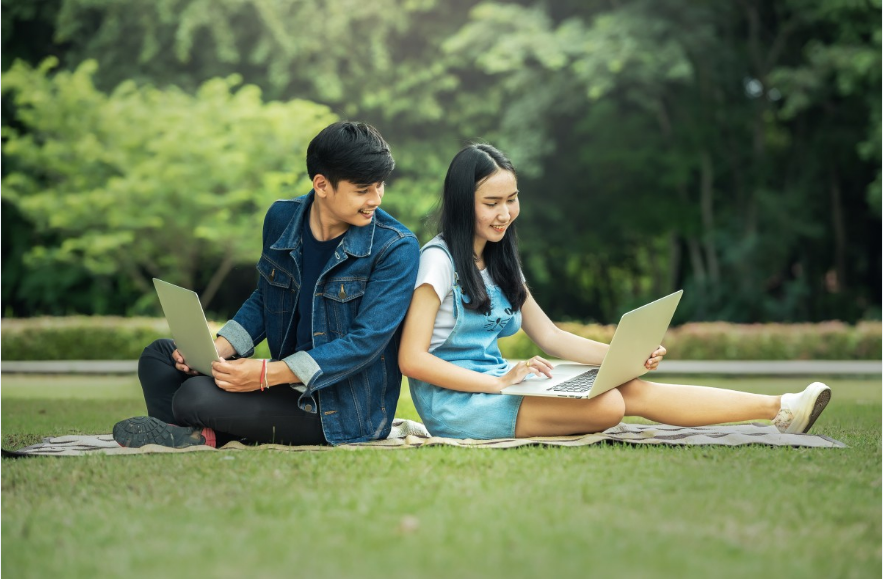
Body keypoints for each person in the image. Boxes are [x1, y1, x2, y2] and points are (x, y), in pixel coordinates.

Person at [398, 144, 831, 440]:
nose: (506, 213)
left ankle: (781, 408)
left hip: (501, 384)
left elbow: (550, 337)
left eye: (512, 199)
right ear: (461, 203)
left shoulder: (498, 258)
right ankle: (779, 409)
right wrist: (495, 384)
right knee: (608, 407)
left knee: (630, 387)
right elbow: (412, 359)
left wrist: (622, 358)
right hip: (459, 404)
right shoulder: (437, 262)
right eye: (491, 203)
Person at [114, 121, 420, 448]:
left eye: (379, 186)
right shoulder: (281, 219)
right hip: (282, 386)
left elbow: (365, 343)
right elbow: (265, 298)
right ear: (321, 184)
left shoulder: (396, 247)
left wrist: (266, 374)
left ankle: (197, 430)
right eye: (363, 190)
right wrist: (218, 349)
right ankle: (196, 434)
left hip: (339, 408)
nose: (376, 199)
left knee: (194, 395)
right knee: (160, 356)